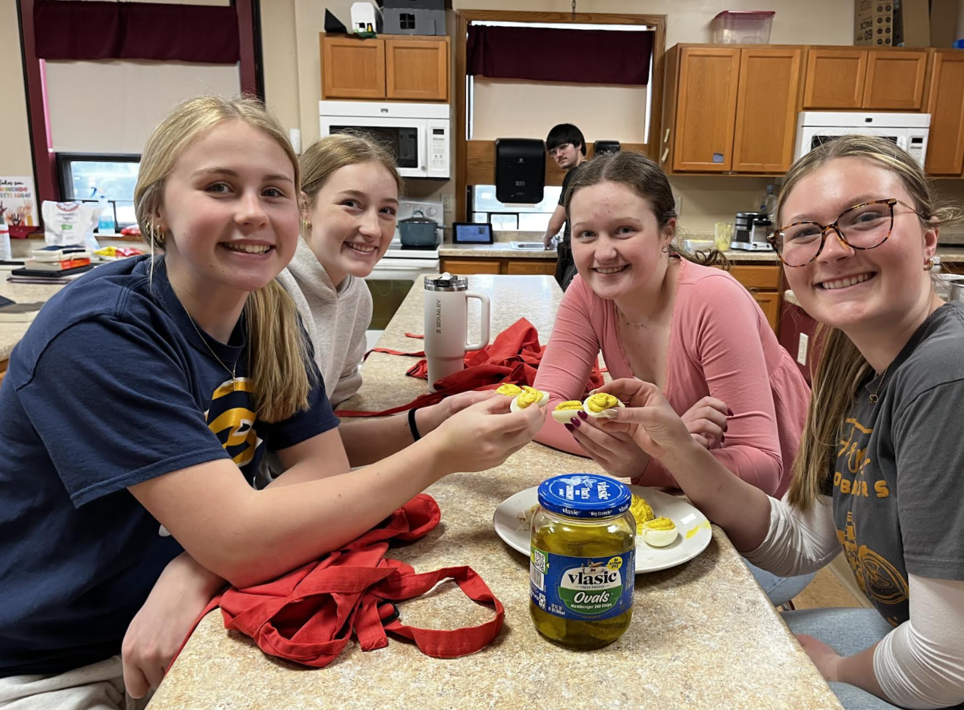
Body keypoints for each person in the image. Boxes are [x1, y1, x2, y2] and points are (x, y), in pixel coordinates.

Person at [0, 95, 544, 709]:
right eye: (220, 187)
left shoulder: (264, 310)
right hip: (54, 658)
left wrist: (196, 563)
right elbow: (240, 538)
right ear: (155, 211)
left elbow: (321, 464)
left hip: (193, 614)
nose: (253, 213)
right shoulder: (101, 336)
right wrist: (440, 453)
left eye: (274, 192)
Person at [593, 135, 964, 709]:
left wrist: (835, 666)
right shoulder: (856, 364)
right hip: (926, 649)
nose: (835, 250)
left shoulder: (957, 380)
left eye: (867, 218)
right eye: (804, 232)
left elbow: (955, 656)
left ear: (927, 239)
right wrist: (678, 450)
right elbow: (799, 542)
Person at [531, 150, 814, 605]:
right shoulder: (586, 293)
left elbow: (763, 466)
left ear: (667, 231)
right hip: (686, 503)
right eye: (586, 234)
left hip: (778, 529)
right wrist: (653, 441)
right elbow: (543, 408)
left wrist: (649, 458)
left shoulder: (713, 300)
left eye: (624, 230)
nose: (603, 252)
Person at [260, 133, 490, 481]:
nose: (371, 228)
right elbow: (283, 453)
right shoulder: (270, 293)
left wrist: (433, 419)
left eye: (386, 211)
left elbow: (321, 433)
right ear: (304, 206)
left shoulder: (356, 295)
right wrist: (437, 448)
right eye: (351, 203)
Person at [541, 123, 586, 290]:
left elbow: (555, 224)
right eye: (553, 152)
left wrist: (547, 237)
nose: (558, 155)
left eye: (563, 147)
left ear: (579, 144)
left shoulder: (574, 175)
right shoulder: (593, 172)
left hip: (576, 255)